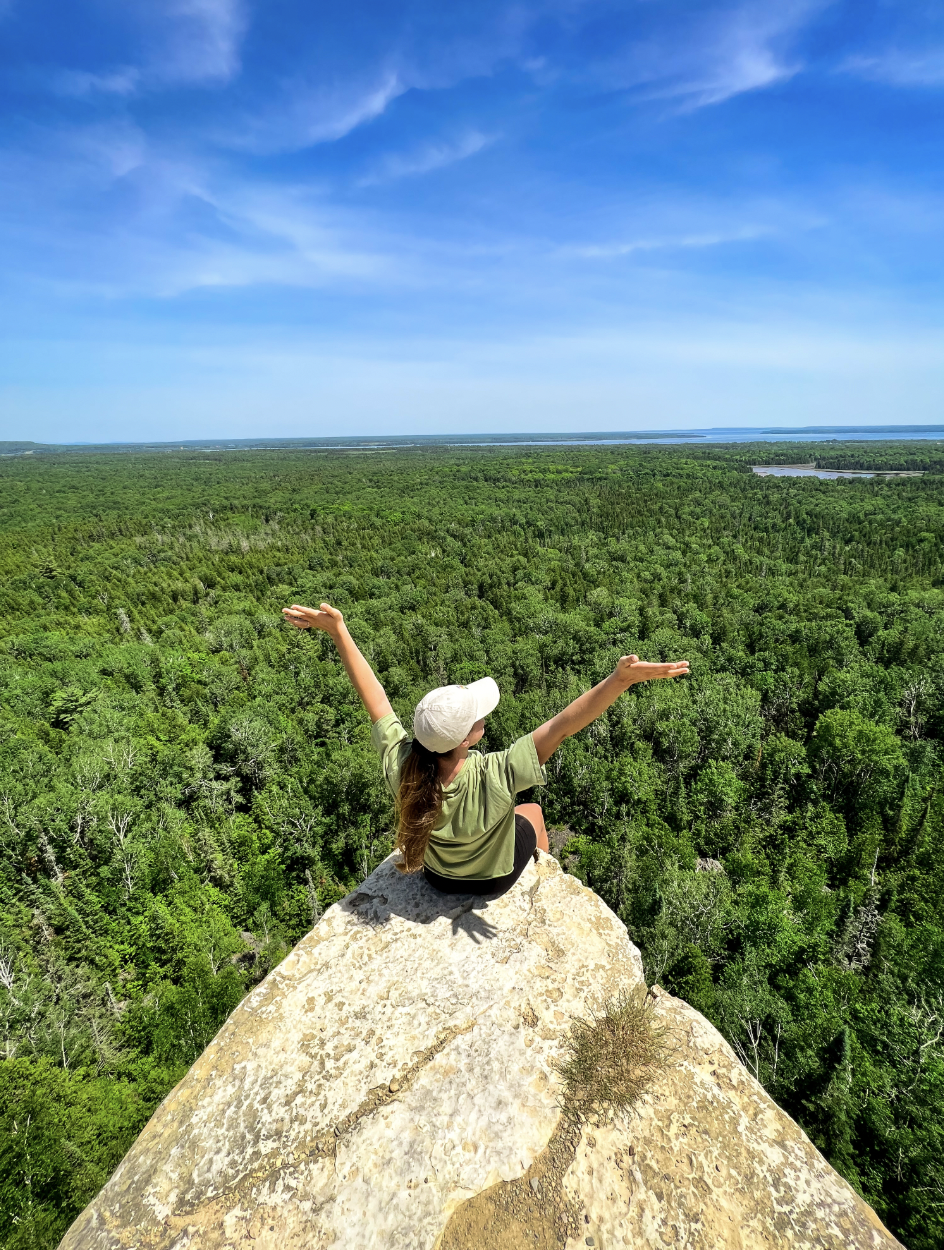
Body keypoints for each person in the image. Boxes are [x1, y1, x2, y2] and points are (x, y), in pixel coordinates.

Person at [282, 602, 689, 897]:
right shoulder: (496, 772)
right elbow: (564, 725)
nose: (484, 721)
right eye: (478, 719)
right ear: (464, 740)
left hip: (437, 878)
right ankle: (542, 890)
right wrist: (619, 681)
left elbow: (376, 701)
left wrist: (339, 632)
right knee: (532, 813)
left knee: (515, 815)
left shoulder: (404, 766)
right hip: (493, 881)